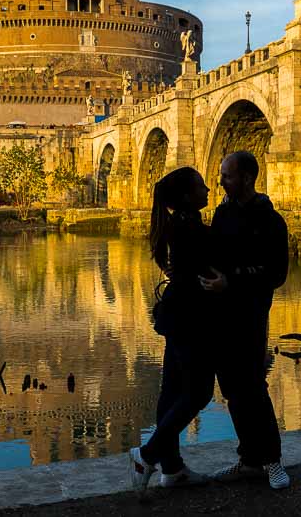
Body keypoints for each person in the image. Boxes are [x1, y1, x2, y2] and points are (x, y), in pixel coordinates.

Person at [200, 151, 291, 490]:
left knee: (253, 387)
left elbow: (276, 273)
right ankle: (249, 459)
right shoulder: (222, 215)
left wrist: (232, 281)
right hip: (221, 316)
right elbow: (213, 258)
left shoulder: (271, 222)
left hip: (251, 315)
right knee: (233, 391)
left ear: (247, 178)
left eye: (226, 175)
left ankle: (273, 461)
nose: (220, 181)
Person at [129, 167, 215, 493]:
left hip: (175, 316)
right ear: (186, 197)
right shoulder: (191, 230)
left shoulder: (177, 226)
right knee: (199, 392)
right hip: (190, 320)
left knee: (172, 392)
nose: (208, 189)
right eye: (201, 186)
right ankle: (147, 455)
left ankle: (173, 468)